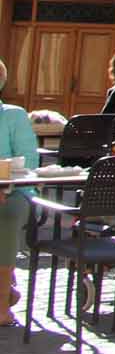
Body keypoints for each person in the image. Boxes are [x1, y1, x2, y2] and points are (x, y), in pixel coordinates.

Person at [0, 55, 41, 324]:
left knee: (8, 213)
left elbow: (28, 162)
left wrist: (4, 187)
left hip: (13, 191)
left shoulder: (13, 115)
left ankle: (1, 303)